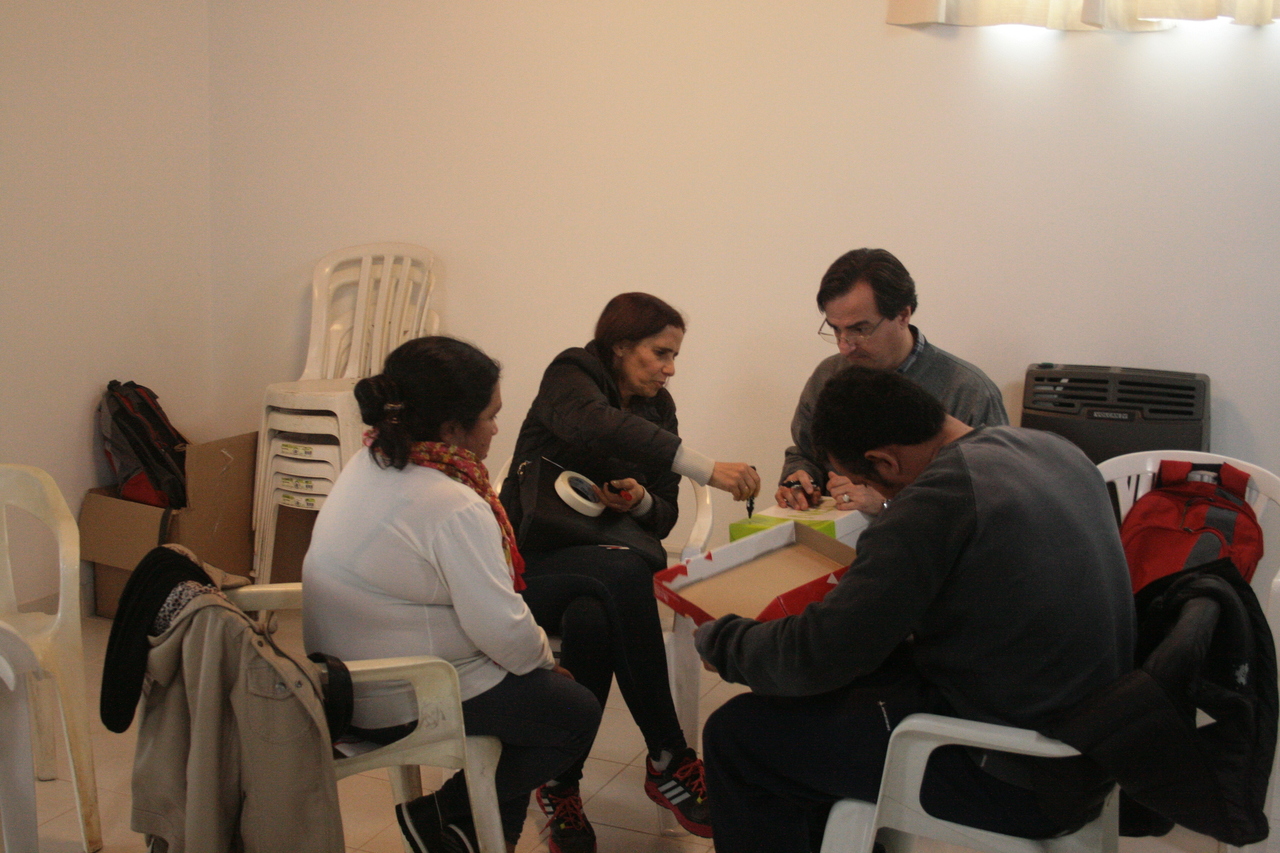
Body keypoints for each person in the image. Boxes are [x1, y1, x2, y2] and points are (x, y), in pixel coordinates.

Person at [698, 367, 1135, 853]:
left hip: (1021, 776)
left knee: (738, 736)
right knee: (823, 703)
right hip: (1095, 745)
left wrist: (723, 641)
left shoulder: (937, 499)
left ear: (884, 462)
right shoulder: (1052, 449)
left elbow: (821, 653)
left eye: (864, 481)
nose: (877, 496)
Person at [303, 336, 602, 853]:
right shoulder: (452, 503)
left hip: (342, 680)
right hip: (400, 694)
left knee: (528, 702)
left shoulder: (371, 461)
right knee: (572, 713)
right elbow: (502, 630)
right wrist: (545, 664)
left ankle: (463, 837)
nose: (496, 429)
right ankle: (440, 814)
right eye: (490, 416)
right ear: (450, 429)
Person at [499, 292, 760, 852]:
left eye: (675, 357)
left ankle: (560, 785)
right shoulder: (572, 373)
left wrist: (639, 500)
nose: (670, 369)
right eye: (660, 353)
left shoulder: (659, 410)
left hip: (603, 572)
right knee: (623, 575)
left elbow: (663, 517)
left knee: (594, 619)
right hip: (533, 567)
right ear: (620, 346)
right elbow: (598, 425)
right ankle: (669, 754)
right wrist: (706, 468)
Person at [777, 248, 1008, 515]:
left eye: (860, 329)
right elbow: (804, 452)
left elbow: (995, 501)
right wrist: (799, 478)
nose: (844, 346)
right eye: (835, 329)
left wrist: (889, 503)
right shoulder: (828, 376)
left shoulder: (969, 391)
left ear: (903, 315)